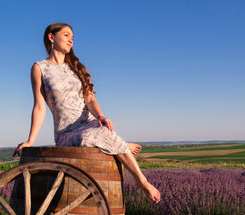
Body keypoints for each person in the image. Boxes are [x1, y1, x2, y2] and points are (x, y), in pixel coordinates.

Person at [13, 23, 160, 203]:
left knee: (97, 132)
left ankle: (142, 182)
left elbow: (89, 99)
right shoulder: (40, 68)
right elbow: (39, 106)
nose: (70, 39)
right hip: (67, 133)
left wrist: (101, 116)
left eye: (72, 37)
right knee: (86, 138)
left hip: (90, 123)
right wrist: (30, 140)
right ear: (52, 37)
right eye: (66, 35)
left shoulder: (77, 68)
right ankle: (121, 145)